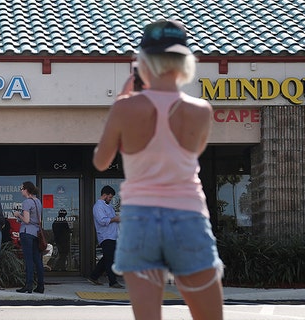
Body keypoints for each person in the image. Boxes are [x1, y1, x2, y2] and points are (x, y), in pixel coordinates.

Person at [93, 19, 223, 320]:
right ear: (185, 61)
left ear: (143, 62)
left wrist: (124, 100)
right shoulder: (201, 111)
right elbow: (190, 154)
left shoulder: (125, 108)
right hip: (188, 214)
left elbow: (101, 161)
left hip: (140, 217)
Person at [12, 181, 45, 294]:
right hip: (36, 233)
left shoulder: (26, 202)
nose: (21, 190)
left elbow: (26, 220)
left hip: (27, 233)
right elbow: (39, 220)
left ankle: (28, 285)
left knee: (28, 260)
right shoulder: (38, 202)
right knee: (37, 260)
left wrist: (18, 215)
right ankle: (40, 286)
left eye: (22, 188)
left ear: (26, 190)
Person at [89, 186, 123, 288]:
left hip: (112, 236)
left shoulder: (108, 207)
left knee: (107, 258)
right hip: (106, 236)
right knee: (110, 260)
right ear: (104, 195)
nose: (110, 199)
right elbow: (102, 221)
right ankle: (112, 281)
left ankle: (94, 276)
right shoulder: (98, 207)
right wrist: (115, 219)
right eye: (110, 197)